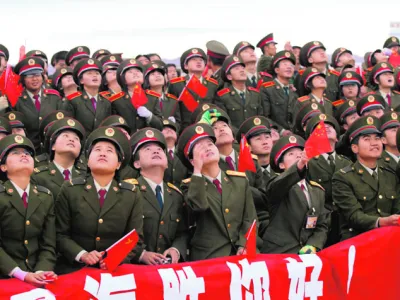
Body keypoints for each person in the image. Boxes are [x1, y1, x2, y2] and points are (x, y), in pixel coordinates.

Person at [55, 127, 144, 274]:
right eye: (97, 150)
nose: (103, 153)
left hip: (115, 270)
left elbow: (134, 238)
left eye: (109, 151)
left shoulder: (131, 194)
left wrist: (114, 259)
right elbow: (59, 234)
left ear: (118, 164)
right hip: (74, 269)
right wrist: (82, 254)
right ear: (88, 162)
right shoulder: (70, 189)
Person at [178, 123, 257, 260]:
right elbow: (199, 206)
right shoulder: (189, 186)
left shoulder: (239, 181)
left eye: (210, 144)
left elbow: (250, 218)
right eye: (200, 148)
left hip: (243, 255)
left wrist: (243, 245)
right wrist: (197, 171)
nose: (207, 148)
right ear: (192, 160)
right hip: (210, 259)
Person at [0, 134, 57, 283]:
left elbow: (48, 243)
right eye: (15, 153)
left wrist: (42, 271)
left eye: (27, 153)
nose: (24, 155)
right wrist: (21, 274)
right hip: (5, 275)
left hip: (36, 274)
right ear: (3, 166)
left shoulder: (45, 196)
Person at [332, 116, 400, 240]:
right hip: (358, 240)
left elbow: (397, 209)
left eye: (377, 138)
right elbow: (354, 216)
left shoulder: (390, 174)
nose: (374, 143)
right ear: (355, 148)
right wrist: (382, 221)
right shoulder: (343, 177)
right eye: (367, 139)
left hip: (389, 237)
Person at [261, 135, 328, 254]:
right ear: (281, 165)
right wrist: (299, 166)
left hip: (307, 255)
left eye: (300, 152)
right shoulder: (277, 184)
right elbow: (277, 186)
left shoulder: (317, 190)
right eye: (291, 154)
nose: (298, 155)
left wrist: (313, 245)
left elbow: (321, 224)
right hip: (280, 254)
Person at [130, 128, 189, 264]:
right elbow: (117, 232)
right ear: (136, 163)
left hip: (167, 273)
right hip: (135, 270)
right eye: (147, 149)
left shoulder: (176, 195)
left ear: (167, 163)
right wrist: (140, 254)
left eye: (159, 149)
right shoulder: (129, 191)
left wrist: (176, 249)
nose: (155, 151)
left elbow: (182, 232)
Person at [305, 114, 352, 246]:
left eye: (330, 126)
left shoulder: (346, 163)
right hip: (321, 226)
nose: (326, 128)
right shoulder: (308, 163)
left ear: (337, 138)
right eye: (320, 128)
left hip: (346, 223)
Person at [12, 57, 63, 153]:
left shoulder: (54, 97)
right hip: (28, 151)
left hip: (52, 152)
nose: (35, 79)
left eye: (37, 75)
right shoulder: (16, 100)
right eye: (30, 76)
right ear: (23, 79)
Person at [32, 117, 86, 199]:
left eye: (76, 138)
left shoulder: (86, 178)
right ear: (53, 146)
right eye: (65, 136)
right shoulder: (37, 177)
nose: (71, 139)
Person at [167, 48, 219, 131]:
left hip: (208, 129)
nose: (198, 62)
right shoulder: (176, 84)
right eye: (194, 60)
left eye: (201, 60)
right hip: (186, 130)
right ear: (186, 66)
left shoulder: (212, 84)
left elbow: (216, 108)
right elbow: (173, 110)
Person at [108, 59, 163, 133]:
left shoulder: (153, 97)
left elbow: (160, 126)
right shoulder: (116, 100)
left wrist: (150, 116)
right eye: (130, 72)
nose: (135, 74)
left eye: (138, 71)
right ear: (123, 79)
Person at [61, 58, 112, 135]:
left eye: (97, 73)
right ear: (81, 80)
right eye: (89, 73)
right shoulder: (73, 101)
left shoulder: (106, 101)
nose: (94, 75)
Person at [215, 55, 263, 130]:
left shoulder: (255, 94)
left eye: (243, 68)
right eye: (237, 69)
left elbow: (261, 118)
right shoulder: (223, 97)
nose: (242, 70)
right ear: (229, 77)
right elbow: (225, 123)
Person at [260, 50, 298, 132]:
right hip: (275, 134)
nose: (289, 67)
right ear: (277, 70)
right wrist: (281, 131)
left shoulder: (294, 92)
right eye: (285, 64)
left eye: (291, 65)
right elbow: (265, 116)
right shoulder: (267, 89)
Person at [99, 115, 139, 180]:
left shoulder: (135, 161)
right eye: (119, 132)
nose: (124, 134)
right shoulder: (95, 157)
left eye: (126, 133)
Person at [161, 119, 189, 186]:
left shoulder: (185, 153)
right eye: (164, 128)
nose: (169, 130)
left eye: (172, 129)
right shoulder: (156, 154)